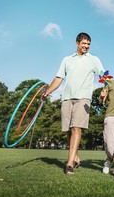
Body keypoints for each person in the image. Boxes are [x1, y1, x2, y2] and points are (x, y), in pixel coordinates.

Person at [42, 32, 104, 175]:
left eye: (88, 44)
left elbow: (103, 75)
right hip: (67, 98)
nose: (86, 46)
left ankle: (69, 164)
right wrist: (47, 91)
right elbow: (58, 79)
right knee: (69, 130)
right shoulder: (67, 60)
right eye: (84, 43)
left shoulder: (94, 59)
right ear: (77, 43)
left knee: (77, 128)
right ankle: (75, 157)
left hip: (83, 98)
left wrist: (106, 87)